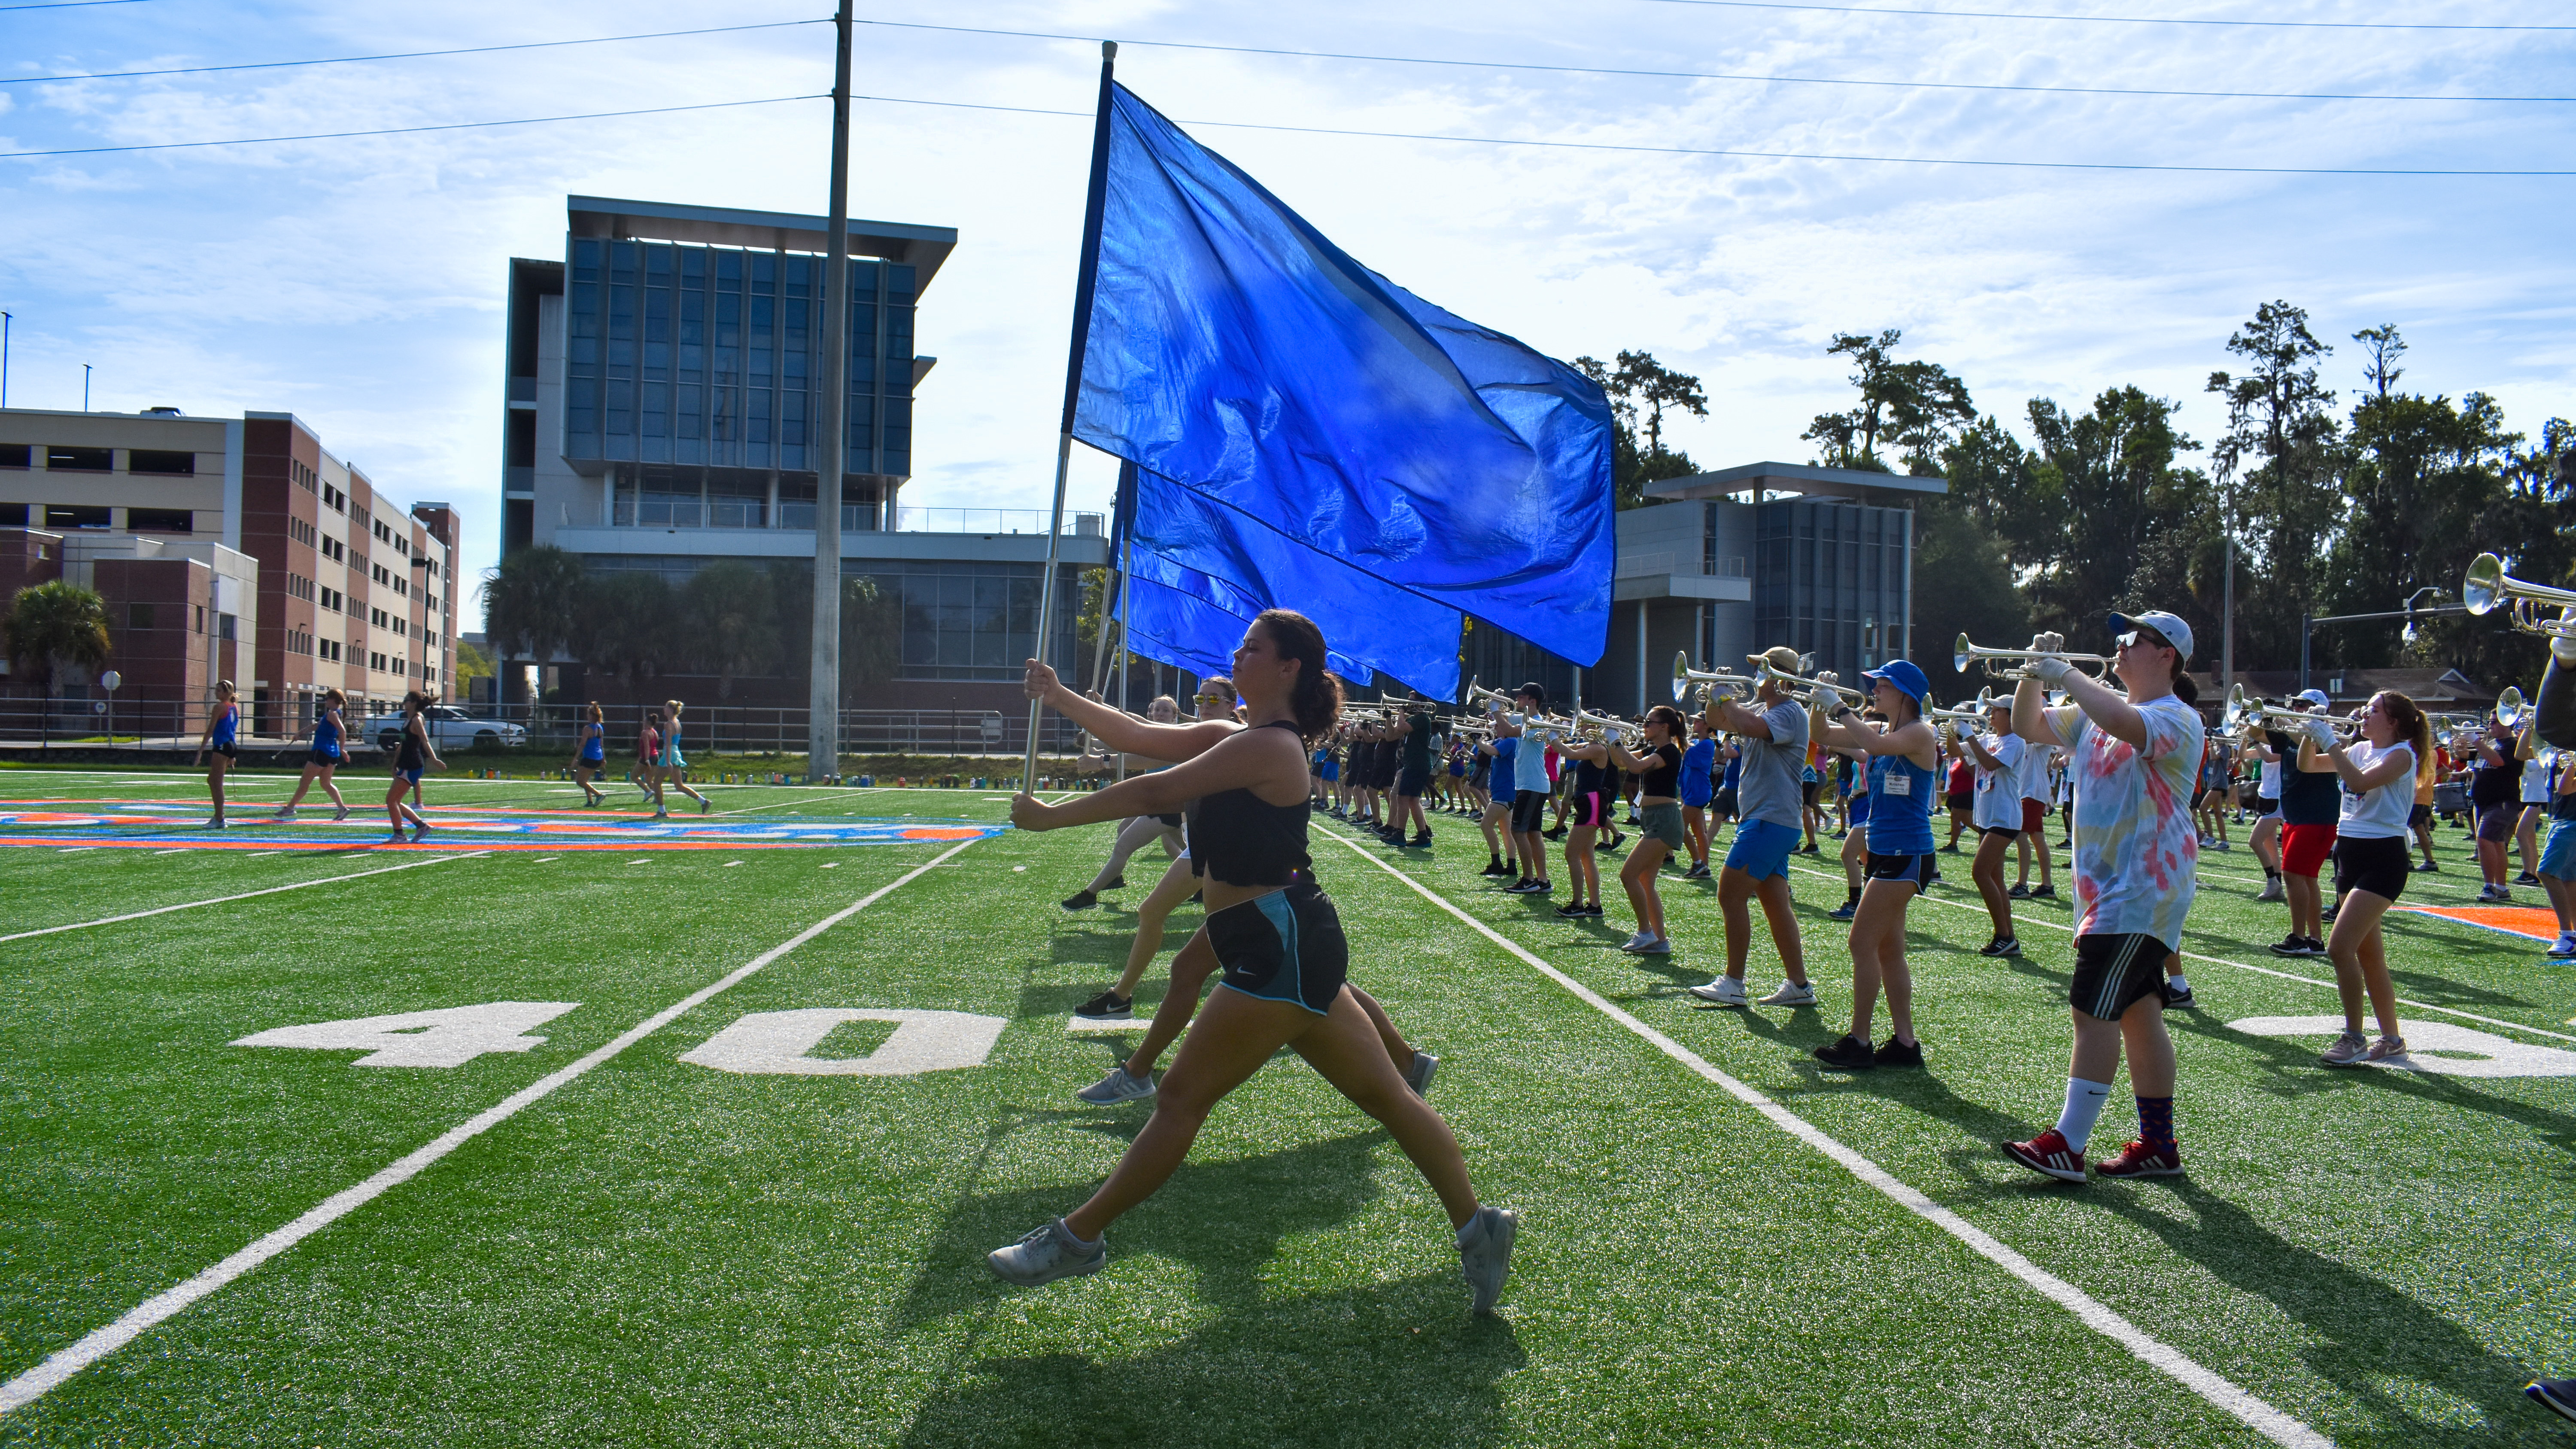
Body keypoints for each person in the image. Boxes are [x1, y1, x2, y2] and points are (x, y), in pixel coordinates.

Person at [990, 611, 1516, 1312]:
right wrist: (1059, 694)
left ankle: (1076, 1237)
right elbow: (1138, 739)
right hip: (1283, 939)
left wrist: (1054, 816)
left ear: (1289, 667)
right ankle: (1480, 1228)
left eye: (1253, 648)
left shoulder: (1274, 748)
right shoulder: (1232, 736)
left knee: (1180, 1098)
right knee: (1388, 1095)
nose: (1238, 656)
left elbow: (1156, 791)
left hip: (1279, 942)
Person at [2002, 611, 2202, 1182]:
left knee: (2091, 1011)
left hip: (2142, 888)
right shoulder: (2094, 713)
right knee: (2140, 1014)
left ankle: (2069, 1141)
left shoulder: (2176, 717)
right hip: (2110, 890)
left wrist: (2065, 673)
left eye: (2132, 639)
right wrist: (2032, 673)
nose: (2119, 646)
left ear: (2166, 655)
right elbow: (2028, 725)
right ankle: (2159, 1146)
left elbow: (2124, 719)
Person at [1809, 662, 1941, 1069]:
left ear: (1905, 694)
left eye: (1883, 686)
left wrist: (1840, 707)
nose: (1876, 692)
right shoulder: (1885, 734)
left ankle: (1860, 1041)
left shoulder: (1920, 732)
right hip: (1886, 851)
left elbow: (1874, 745)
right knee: (1889, 949)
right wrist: (1819, 701)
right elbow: (1821, 737)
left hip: (1907, 852)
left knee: (1860, 942)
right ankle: (1905, 1043)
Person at [2304, 692, 2430, 1065]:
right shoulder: (2359, 749)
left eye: (2374, 710)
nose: (2364, 714)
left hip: (2383, 857)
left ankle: (2355, 1037)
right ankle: (2392, 1039)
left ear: (2393, 723)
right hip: (2350, 853)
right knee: (2370, 956)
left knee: (2339, 948)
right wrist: (2311, 735)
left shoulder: (2402, 755)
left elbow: (2358, 784)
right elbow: (2310, 765)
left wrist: (2330, 739)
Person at [1686, 651, 1815, 1009]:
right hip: (1766, 817)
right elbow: (1719, 721)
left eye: (1764, 669)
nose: (1757, 674)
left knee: (1729, 895)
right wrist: (1715, 693)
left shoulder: (1790, 711)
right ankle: (1800, 985)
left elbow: (1750, 728)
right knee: (1776, 904)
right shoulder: (1759, 708)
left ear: (1784, 676)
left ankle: (1734, 982)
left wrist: (1728, 697)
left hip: (1770, 819)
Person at [1062, 695, 1188, 911]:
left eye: (1165, 711)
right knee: (1188, 850)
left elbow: (1129, 737)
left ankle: (1090, 894)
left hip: (1169, 802)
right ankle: (1207, 883)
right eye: (1155, 710)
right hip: (1158, 801)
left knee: (1125, 846)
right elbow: (1125, 738)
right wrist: (1093, 739)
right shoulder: (1152, 735)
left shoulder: (1176, 737)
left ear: (1175, 716)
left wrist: (1099, 755)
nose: (1159, 714)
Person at [1607, 706, 1688, 953]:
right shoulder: (1654, 749)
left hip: (1664, 820)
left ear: (1664, 727)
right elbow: (1620, 761)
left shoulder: (1670, 752)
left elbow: (1637, 768)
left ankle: (1645, 932)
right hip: (1652, 818)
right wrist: (1611, 740)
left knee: (1628, 875)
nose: (1644, 727)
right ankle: (1660, 940)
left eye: (1648, 723)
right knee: (1645, 880)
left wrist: (1616, 739)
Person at [1952, 699, 2028, 958]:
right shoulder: (1987, 739)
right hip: (1988, 817)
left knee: (1979, 873)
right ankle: (2009, 937)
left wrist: (1970, 735)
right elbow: (1954, 752)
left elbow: (1992, 764)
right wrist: (1953, 728)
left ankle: (2004, 935)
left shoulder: (2016, 741)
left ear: (2011, 715)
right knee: (1996, 879)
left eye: (1996, 711)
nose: (1991, 714)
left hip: (2005, 817)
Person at [2266, 693, 2340, 958]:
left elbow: (2312, 748)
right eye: (2295, 704)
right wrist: (2261, 715)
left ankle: (2298, 937)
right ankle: (2315, 941)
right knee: (2307, 878)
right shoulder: (2289, 732)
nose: (2297, 708)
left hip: (2317, 814)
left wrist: (2286, 720)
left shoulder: (2328, 731)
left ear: (2318, 709)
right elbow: (2258, 734)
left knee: (2292, 875)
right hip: (2295, 814)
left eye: (2303, 705)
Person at [1499, 684, 1557, 898]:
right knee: (1533, 833)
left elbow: (1507, 731)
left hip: (1531, 785)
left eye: (1521, 697)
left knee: (1518, 831)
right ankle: (1542, 880)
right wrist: (1497, 708)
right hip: (1532, 784)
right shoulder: (1525, 719)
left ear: (1532, 700)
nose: (1518, 700)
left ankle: (1529, 879)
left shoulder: (1536, 724)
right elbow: (1502, 724)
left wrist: (1497, 709)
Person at [1825, 715, 1877, 922]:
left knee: (1848, 854)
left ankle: (1855, 902)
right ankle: (1871, 905)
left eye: (1868, 721)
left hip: (1869, 804)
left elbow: (1861, 755)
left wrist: (1838, 739)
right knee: (1867, 861)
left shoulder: (1879, 749)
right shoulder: (1869, 746)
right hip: (1857, 804)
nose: (1863, 724)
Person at [274, 688, 351, 822]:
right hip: (331, 752)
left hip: (321, 751)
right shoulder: (331, 715)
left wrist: (342, 748)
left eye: (327, 698)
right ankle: (342, 808)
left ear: (333, 700)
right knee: (326, 783)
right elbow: (316, 725)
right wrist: (300, 732)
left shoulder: (332, 714)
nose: (325, 700)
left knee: (305, 782)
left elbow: (342, 731)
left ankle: (290, 808)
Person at [2469, 715, 2521, 903]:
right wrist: (2461, 748)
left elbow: (2498, 761)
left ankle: (2489, 887)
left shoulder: (2513, 744)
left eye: (2494, 722)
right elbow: (2475, 762)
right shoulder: (2492, 743)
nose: (2490, 725)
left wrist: (2475, 741)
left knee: (2483, 841)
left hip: (2503, 802)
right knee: (2497, 845)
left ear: (2507, 722)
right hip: (2484, 802)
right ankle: (2502, 888)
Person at [383, 690, 442, 844]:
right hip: (406, 764)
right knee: (394, 801)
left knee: (391, 801)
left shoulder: (416, 719)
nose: (404, 703)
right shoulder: (407, 720)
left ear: (414, 703)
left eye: (407, 700)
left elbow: (425, 740)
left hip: (413, 764)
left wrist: (434, 759)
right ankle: (421, 826)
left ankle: (400, 835)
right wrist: (394, 764)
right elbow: (402, 746)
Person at [191, 680, 241, 829]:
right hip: (229, 745)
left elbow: (211, 729)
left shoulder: (220, 707)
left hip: (222, 745)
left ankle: (220, 818)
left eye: (219, 691)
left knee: (216, 783)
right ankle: (218, 816)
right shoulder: (234, 707)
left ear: (227, 693)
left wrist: (200, 751)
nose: (216, 693)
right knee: (212, 780)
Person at [1388, 693, 1435, 849]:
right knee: (1413, 800)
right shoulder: (1412, 719)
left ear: (1421, 704)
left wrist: (1401, 711)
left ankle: (1400, 834)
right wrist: (1388, 718)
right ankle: (1423, 835)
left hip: (1417, 763)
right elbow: (1391, 736)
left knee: (1403, 798)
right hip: (1413, 763)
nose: (1408, 703)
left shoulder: (1422, 718)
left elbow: (1401, 727)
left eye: (1411, 701)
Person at [1476, 725, 1521, 878]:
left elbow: (1491, 751)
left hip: (1504, 793)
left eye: (1498, 726)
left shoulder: (1511, 741)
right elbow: (1487, 748)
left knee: (1486, 825)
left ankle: (1496, 863)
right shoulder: (1502, 741)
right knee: (1506, 831)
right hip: (1502, 792)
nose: (1495, 728)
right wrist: (1479, 739)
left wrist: (1477, 740)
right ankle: (1511, 865)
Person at [653, 700, 711, 817]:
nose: (664, 710)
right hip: (676, 752)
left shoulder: (669, 724)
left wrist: (668, 761)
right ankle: (703, 802)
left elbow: (668, 744)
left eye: (666, 708)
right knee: (679, 786)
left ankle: (662, 811)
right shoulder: (677, 722)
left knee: (656, 783)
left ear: (671, 710)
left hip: (670, 754)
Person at [1677, 714, 1717, 880]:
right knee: (1699, 832)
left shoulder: (1708, 744)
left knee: (1679, 827)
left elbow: (1687, 755)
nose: (1694, 723)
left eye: (1698, 721)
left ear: (1708, 726)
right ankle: (1705, 867)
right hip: (1694, 792)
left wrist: (1679, 733)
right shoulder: (1698, 744)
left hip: (1698, 792)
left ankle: (1698, 863)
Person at [2515, 724, 2550, 887]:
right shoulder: (2535, 752)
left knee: (2521, 834)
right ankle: (2532, 872)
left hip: (2539, 798)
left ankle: (2529, 872)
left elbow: (2523, 758)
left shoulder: (2545, 753)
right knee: (2529, 837)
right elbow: (2520, 754)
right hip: (2527, 797)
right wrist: (2527, 730)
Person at [568, 701, 608, 808]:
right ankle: (590, 801)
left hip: (589, 757)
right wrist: (603, 759)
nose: (587, 716)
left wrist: (575, 758)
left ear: (592, 715)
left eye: (588, 714)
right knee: (585, 780)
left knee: (580, 782)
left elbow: (582, 745)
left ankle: (598, 795)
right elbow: (602, 745)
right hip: (597, 757)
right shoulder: (600, 727)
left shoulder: (588, 729)